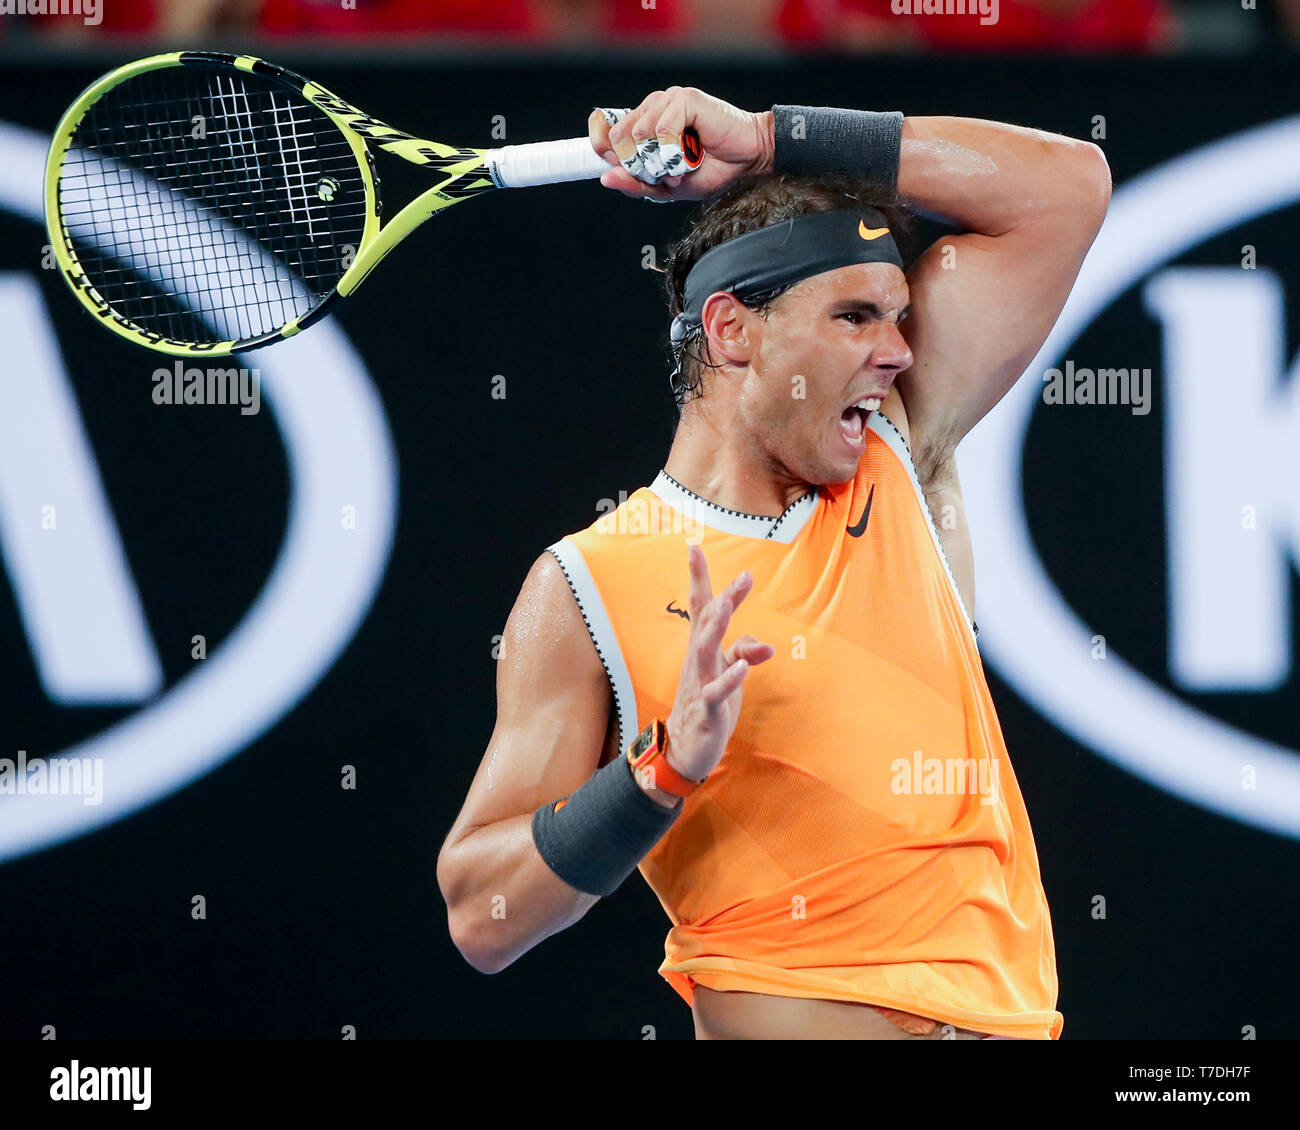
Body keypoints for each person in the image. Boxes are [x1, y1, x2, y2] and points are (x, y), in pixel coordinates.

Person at [437, 89, 1110, 1039]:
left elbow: (1068, 187)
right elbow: (481, 915)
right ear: (732, 332)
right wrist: (658, 776)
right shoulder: (585, 584)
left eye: (902, 319)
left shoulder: (895, 450)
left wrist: (765, 142)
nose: (897, 350)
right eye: (856, 316)